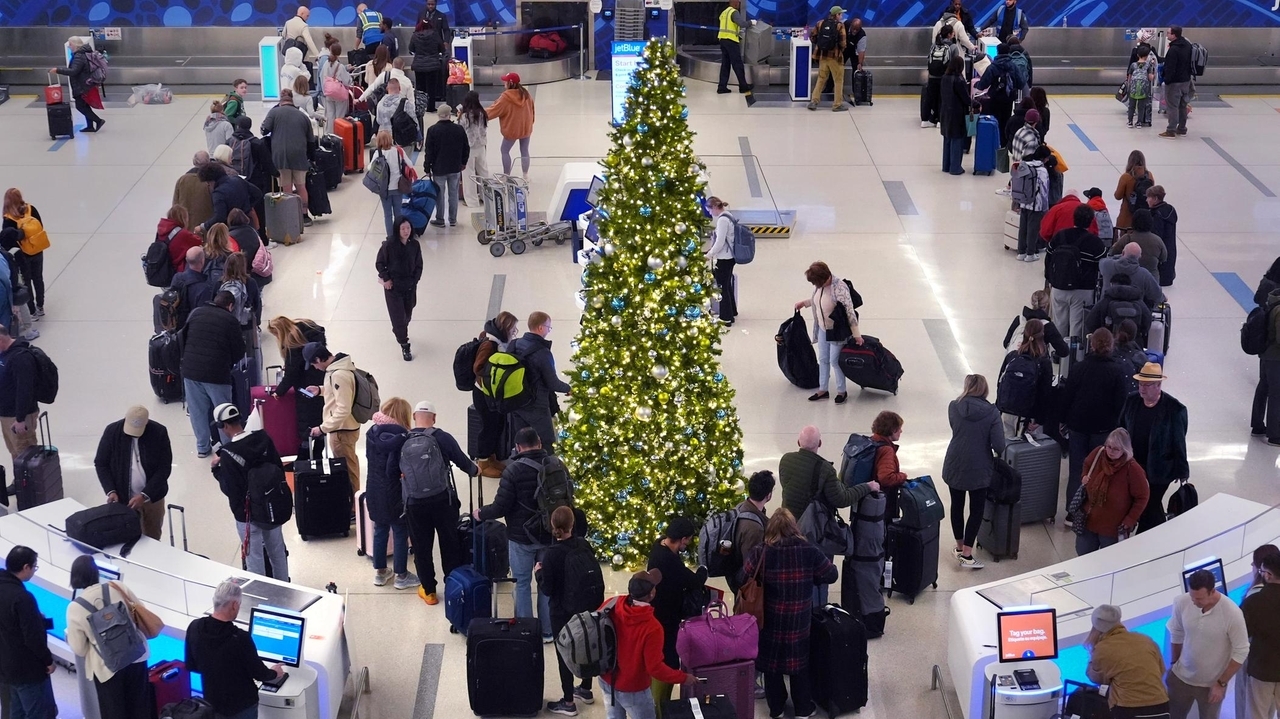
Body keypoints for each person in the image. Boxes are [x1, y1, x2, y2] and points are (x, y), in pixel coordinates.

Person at [743, 508, 838, 719]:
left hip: (769, 618)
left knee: (771, 664)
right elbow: (831, 574)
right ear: (794, 527)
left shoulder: (762, 551)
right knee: (799, 664)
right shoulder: (809, 550)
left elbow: (745, 574)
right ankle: (803, 708)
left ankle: (776, 708)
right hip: (799, 619)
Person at [475, 427, 555, 638]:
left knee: (521, 583)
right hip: (550, 535)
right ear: (539, 443)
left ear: (518, 447)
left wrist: (480, 513)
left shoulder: (513, 471)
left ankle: (527, 630)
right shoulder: (556, 465)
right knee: (546, 584)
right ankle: (547, 631)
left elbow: (500, 507)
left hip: (521, 537)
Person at [598, 569, 697, 719]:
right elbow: (655, 668)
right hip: (633, 689)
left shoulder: (612, 603)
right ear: (651, 594)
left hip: (606, 678)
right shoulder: (652, 627)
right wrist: (683, 678)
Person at [210, 403, 290, 581]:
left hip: (248, 517)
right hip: (272, 507)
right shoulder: (264, 438)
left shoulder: (228, 454)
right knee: (277, 552)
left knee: (254, 560)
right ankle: (285, 589)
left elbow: (230, 489)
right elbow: (278, 468)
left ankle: (262, 597)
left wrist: (216, 470)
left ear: (225, 426)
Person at [65, 555, 150, 719]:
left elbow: (79, 649)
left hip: (107, 669)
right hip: (136, 657)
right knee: (140, 708)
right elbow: (140, 611)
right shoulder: (117, 586)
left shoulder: (75, 608)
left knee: (113, 712)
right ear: (96, 573)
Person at [186, 580, 285, 719]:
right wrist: (275, 672)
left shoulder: (195, 627)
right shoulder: (240, 638)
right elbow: (260, 673)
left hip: (212, 702)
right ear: (234, 605)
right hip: (242, 706)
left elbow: (191, 665)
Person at [1059, 329, 1131, 512]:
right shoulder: (1117, 371)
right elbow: (1120, 402)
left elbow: (1067, 397)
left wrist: (1063, 420)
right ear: (1111, 345)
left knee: (1077, 469)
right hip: (1103, 429)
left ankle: (1072, 510)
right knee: (1100, 469)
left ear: (1091, 344)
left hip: (1078, 427)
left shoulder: (1079, 367)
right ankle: (1093, 509)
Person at [536, 506, 598, 715]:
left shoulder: (551, 554)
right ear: (573, 525)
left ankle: (569, 702)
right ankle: (586, 689)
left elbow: (547, 589)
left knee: (565, 653)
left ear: (553, 525)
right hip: (585, 607)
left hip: (561, 612)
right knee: (588, 645)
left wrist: (538, 573)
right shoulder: (584, 545)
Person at [1167, 569, 1250, 719]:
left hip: (1212, 684)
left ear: (1212, 591)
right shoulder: (1182, 601)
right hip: (1181, 678)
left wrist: (1221, 683)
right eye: (1192, 596)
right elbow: (1177, 632)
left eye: (1199, 598)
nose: (1193, 601)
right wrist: (1174, 663)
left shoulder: (1232, 613)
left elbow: (1242, 650)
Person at [942, 374, 1006, 569]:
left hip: (955, 462)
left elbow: (956, 428)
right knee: (976, 508)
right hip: (979, 466)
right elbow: (999, 445)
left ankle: (959, 546)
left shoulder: (954, 406)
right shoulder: (992, 412)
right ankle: (968, 554)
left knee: (956, 505)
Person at [1120, 363, 1189, 533]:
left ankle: (1145, 541)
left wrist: (1182, 470)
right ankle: (1157, 535)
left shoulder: (1175, 409)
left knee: (1148, 505)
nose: (1142, 389)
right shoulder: (1132, 401)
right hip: (1134, 466)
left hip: (1159, 470)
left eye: (1147, 385)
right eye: (1140, 384)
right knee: (1147, 504)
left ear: (1158, 385)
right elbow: (1121, 428)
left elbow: (1179, 442)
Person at [179, 291, 245, 457]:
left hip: (191, 371)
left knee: (197, 412)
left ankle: (202, 447)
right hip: (217, 374)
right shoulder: (230, 320)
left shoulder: (196, 312)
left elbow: (183, 338)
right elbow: (239, 350)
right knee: (223, 412)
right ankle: (228, 449)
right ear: (230, 306)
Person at [364, 397, 421, 591]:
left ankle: (380, 573)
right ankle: (401, 576)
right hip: (394, 491)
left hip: (373, 488)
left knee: (379, 529)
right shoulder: (403, 438)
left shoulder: (370, 433)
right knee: (399, 531)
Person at [93, 406, 172, 541]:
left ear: (146, 423)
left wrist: (144, 495)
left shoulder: (159, 432)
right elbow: (101, 463)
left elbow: (164, 468)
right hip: (123, 499)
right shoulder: (112, 432)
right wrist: (110, 490)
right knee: (130, 536)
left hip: (153, 498)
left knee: (153, 536)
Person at [646, 518, 709, 679]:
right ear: (682, 539)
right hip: (666, 613)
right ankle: (662, 696)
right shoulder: (669, 559)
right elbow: (694, 581)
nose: (687, 544)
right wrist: (703, 569)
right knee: (668, 657)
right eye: (688, 540)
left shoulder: (659, 544)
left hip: (658, 608)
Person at [1085, 604, 1170, 719]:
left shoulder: (1103, 648)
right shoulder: (1145, 640)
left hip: (1129, 708)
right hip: (1161, 704)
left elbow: (1096, 678)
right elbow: (1161, 669)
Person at [794, 261, 862, 402]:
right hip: (822, 328)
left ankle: (841, 391)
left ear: (824, 278)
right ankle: (822, 389)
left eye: (816, 283)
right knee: (823, 359)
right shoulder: (820, 286)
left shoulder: (840, 288)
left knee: (835, 361)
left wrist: (857, 335)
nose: (814, 286)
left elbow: (850, 313)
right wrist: (805, 303)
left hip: (836, 331)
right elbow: (817, 300)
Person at [1074, 428, 1149, 555]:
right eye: (1109, 446)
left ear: (1125, 449)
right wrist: (1084, 476)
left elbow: (1142, 496)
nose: (1110, 451)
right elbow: (1087, 464)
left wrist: (1130, 519)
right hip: (1089, 520)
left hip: (1113, 528)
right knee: (1083, 555)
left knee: (1108, 560)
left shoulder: (1132, 469)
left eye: (1116, 449)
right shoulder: (1099, 453)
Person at [0, 546, 55, 719]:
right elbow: (33, 638)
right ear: (26, 567)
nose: (34, 571)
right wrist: (48, 660)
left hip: (6, 667)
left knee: (16, 712)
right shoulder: (23, 598)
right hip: (28, 670)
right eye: (35, 567)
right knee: (39, 713)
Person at [304, 342, 365, 492]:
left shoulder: (338, 374)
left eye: (313, 364)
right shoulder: (339, 368)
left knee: (348, 471)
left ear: (318, 359)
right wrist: (320, 390)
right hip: (345, 427)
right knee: (350, 465)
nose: (314, 368)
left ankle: (352, 509)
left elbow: (343, 409)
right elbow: (342, 392)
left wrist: (323, 428)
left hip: (342, 431)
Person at [510, 312, 572, 451]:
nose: (549, 330)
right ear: (540, 328)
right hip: (536, 405)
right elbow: (552, 382)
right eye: (548, 327)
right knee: (546, 442)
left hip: (515, 401)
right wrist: (568, 388)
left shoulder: (514, 344)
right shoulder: (542, 352)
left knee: (522, 441)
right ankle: (545, 470)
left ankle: (522, 468)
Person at [1045, 204, 1106, 340]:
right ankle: (1073, 356)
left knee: (1059, 323)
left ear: (1074, 219)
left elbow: (1048, 257)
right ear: (1091, 221)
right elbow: (1102, 266)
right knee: (1077, 327)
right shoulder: (1095, 243)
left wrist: (1051, 280)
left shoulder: (1060, 236)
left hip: (1059, 286)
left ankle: (1057, 355)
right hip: (1083, 290)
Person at [268, 317, 327, 457]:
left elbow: (291, 373)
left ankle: (304, 456)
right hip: (320, 381)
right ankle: (319, 452)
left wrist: (279, 391)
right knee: (319, 417)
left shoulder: (292, 343)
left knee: (305, 420)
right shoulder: (307, 327)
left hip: (305, 387)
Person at [471, 311, 519, 471]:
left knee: (496, 425)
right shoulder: (490, 344)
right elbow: (478, 367)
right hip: (484, 393)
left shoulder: (496, 341)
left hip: (489, 393)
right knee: (488, 426)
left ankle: (491, 457)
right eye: (513, 329)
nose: (514, 333)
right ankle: (483, 461)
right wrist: (494, 374)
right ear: (505, 328)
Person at [261, 88, 316, 226]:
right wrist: (312, 158)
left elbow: (264, 130)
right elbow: (311, 140)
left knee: (287, 187)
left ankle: (290, 216)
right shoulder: (302, 116)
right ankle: (304, 216)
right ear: (292, 100)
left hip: (280, 155)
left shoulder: (274, 112)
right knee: (301, 186)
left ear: (281, 100)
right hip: (299, 155)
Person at [999, 320, 1057, 439]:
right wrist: (1040, 420)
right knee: (1024, 454)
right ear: (1042, 336)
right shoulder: (1044, 363)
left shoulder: (1012, 356)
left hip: (1006, 411)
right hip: (1028, 418)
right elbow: (1045, 394)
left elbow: (1000, 382)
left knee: (1005, 450)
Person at [376, 216, 423, 360]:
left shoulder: (414, 245)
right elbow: (380, 263)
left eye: (408, 228)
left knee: (407, 313)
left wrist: (414, 281)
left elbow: (419, 265)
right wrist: (387, 279)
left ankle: (399, 329)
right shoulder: (388, 245)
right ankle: (404, 343)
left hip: (409, 287)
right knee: (398, 318)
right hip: (393, 288)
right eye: (402, 228)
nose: (406, 231)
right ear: (397, 229)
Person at [1242, 553, 1280, 719]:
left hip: (1261, 670)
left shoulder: (1254, 601)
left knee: (1257, 715)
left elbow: (1243, 635)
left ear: (1268, 575)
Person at [2, 189, 48, 319]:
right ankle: (41, 306)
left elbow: (7, 239)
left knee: (26, 282)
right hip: (37, 249)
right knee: (38, 278)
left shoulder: (9, 218)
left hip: (22, 255)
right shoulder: (30, 209)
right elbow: (40, 226)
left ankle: (32, 311)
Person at [0, 325, 40, 473]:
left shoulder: (20, 358)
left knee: (25, 451)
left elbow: (25, 390)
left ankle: (31, 484)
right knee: (14, 450)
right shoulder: (5, 354)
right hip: (6, 414)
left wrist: (20, 418)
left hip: (19, 416)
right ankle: (20, 481)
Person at [728, 470, 773, 595]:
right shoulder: (755, 528)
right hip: (746, 590)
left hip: (734, 574)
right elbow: (752, 566)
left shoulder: (741, 507)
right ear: (768, 496)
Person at [425, 105, 469, 228]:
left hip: (439, 169)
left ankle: (440, 219)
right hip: (455, 167)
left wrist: (427, 168)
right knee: (453, 194)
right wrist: (463, 162)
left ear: (438, 115)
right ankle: (453, 219)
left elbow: (429, 152)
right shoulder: (459, 129)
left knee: (440, 195)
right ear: (450, 115)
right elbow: (466, 147)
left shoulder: (432, 130)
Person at [486, 73, 535, 179]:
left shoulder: (506, 97)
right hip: (526, 128)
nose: (504, 82)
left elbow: (494, 110)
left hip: (511, 130)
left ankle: (506, 175)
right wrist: (530, 123)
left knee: (504, 150)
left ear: (510, 83)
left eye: (506, 81)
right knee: (524, 150)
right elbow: (532, 109)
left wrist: (479, 115)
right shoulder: (526, 94)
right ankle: (525, 175)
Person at [51, 37, 104, 132]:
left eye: (70, 44)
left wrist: (58, 70)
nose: (69, 47)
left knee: (80, 106)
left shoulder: (79, 56)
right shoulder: (83, 54)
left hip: (82, 85)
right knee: (85, 105)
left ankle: (98, 120)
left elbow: (74, 71)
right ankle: (90, 126)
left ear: (75, 45)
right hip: (85, 84)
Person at [975, 43, 1023, 142]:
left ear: (998, 52)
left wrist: (977, 85)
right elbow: (1021, 82)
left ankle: (994, 143)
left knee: (994, 121)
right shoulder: (1013, 66)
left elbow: (983, 84)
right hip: (1008, 99)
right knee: (1005, 121)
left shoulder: (992, 67)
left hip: (994, 98)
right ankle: (1003, 147)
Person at [1085, 272, 1153, 341]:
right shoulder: (1138, 301)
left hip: (1108, 344)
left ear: (1111, 284)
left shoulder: (1106, 301)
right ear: (1129, 285)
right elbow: (1147, 324)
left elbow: (1090, 323)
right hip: (1134, 344)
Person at [703, 196, 738, 326]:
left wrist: (709, 254)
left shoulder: (722, 220)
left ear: (714, 207)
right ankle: (732, 312)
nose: (710, 213)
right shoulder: (729, 215)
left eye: (710, 211)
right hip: (731, 257)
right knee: (727, 285)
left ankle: (726, 318)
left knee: (722, 288)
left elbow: (720, 242)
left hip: (724, 258)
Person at [1003, 289, 1069, 356]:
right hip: (1037, 363)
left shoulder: (1019, 319)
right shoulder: (1048, 326)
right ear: (1046, 305)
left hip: (1014, 360)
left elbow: (1006, 343)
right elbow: (1063, 351)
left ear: (1032, 303)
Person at [199, 164, 263, 234]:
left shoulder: (218, 193)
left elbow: (220, 217)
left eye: (208, 182)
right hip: (247, 221)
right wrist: (247, 206)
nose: (209, 185)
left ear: (212, 180)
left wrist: (203, 226)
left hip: (231, 228)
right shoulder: (238, 180)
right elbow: (257, 193)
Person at [806, 6, 848, 112]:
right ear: (836, 15)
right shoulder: (840, 26)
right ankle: (837, 104)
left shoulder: (820, 23)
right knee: (838, 80)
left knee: (821, 78)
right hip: (835, 57)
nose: (842, 16)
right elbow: (843, 42)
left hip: (822, 56)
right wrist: (840, 49)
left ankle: (814, 101)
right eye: (840, 14)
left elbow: (813, 37)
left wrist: (821, 45)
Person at [939, 56, 974, 176]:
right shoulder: (959, 80)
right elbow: (965, 98)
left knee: (947, 139)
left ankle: (946, 166)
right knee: (957, 140)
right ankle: (955, 167)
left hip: (945, 112)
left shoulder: (944, 78)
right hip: (957, 113)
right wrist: (976, 103)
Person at [1100, 242, 1163, 308]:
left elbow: (1102, 261)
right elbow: (1156, 295)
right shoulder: (1144, 274)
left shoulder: (1107, 265)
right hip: (1135, 312)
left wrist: (1119, 257)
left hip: (1108, 309)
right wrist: (1163, 298)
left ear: (1123, 253)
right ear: (1139, 256)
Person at [167, 247, 215, 329]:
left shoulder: (177, 278)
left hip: (175, 325)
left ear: (186, 259)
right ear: (202, 261)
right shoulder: (204, 288)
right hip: (192, 328)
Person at [1160, 26, 1194, 139]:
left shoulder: (1173, 50)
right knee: (1182, 106)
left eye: (1168, 33)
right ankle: (1182, 129)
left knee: (1172, 107)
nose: (1167, 35)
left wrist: (1167, 80)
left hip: (1174, 83)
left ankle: (1171, 130)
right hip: (1186, 81)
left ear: (1174, 35)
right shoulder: (1188, 45)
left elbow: (1170, 68)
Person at [1113, 210, 1168, 278]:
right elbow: (1163, 258)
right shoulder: (1158, 240)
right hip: (1152, 279)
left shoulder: (1126, 239)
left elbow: (1112, 253)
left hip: (1130, 279)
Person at [458, 91, 490, 205]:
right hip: (481, 145)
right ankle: (487, 197)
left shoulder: (464, 116)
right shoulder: (482, 113)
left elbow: (461, 130)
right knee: (483, 171)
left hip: (468, 148)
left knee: (468, 173)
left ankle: (472, 201)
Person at [410, 18, 447, 113]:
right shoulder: (435, 35)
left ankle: (420, 106)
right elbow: (442, 49)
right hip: (432, 65)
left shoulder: (415, 35)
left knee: (420, 87)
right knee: (431, 88)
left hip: (419, 65)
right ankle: (431, 107)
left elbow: (411, 49)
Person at [921, 23, 954, 128]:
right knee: (942, 98)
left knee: (930, 98)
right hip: (944, 77)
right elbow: (954, 63)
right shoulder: (952, 47)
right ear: (949, 35)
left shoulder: (934, 45)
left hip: (932, 76)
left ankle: (926, 120)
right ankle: (940, 120)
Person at [1146, 185, 1179, 286]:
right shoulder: (1170, 210)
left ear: (1155, 199)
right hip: (1170, 248)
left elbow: (1156, 236)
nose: (1147, 200)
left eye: (1148, 197)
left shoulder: (1157, 215)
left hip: (1160, 254)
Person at [716, 0, 751, 94]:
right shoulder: (734, 12)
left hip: (722, 40)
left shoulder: (724, 12)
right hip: (731, 41)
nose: (739, 4)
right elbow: (742, 24)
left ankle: (722, 87)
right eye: (738, 2)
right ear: (735, 3)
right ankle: (743, 86)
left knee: (725, 64)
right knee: (737, 64)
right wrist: (751, 22)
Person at [174, 152, 215, 230]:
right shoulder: (210, 181)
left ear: (194, 162)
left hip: (186, 226)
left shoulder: (182, 180)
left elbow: (175, 204)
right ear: (208, 162)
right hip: (206, 227)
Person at [1114, 150, 1154, 230]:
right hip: (1144, 216)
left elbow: (1117, 196)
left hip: (1127, 218)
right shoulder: (1149, 175)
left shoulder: (1126, 177)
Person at [319, 42, 351, 136]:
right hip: (339, 95)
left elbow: (322, 77)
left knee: (330, 115)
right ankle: (338, 135)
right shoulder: (340, 67)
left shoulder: (326, 64)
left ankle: (329, 135)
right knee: (339, 117)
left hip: (328, 93)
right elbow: (346, 81)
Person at [226, 210, 264, 282]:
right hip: (259, 270)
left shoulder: (230, 237)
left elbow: (234, 258)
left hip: (246, 275)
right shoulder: (253, 230)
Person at [283, 6, 321, 73]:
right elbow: (309, 41)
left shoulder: (288, 22)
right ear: (302, 13)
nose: (308, 18)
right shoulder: (303, 25)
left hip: (289, 55)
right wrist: (317, 55)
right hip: (300, 56)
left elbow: (283, 35)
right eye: (307, 16)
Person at [1127, 45, 1157, 128]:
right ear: (1147, 56)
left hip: (1133, 88)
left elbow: (1129, 77)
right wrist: (1154, 70)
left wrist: (1129, 86)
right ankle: (1139, 123)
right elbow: (1150, 78)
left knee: (1131, 106)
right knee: (1141, 106)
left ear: (1137, 55)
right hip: (1144, 89)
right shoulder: (1148, 65)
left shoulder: (1133, 65)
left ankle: (1130, 122)